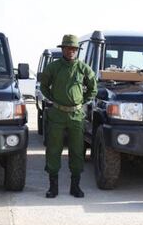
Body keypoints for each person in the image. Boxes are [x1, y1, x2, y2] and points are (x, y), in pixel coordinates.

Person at [40, 34, 97, 198]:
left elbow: (93, 88)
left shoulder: (83, 68)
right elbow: (44, 86)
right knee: (53, 149)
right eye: (68, 48)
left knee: (77, 150)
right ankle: (53, 187)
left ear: (77, 51)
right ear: (63, 49)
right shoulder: (53, 67)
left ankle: (75, 186)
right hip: (57, 114)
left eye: (74, 49)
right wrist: (54, 99)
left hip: (76, 116)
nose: (71, 51)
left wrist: (81, 102)